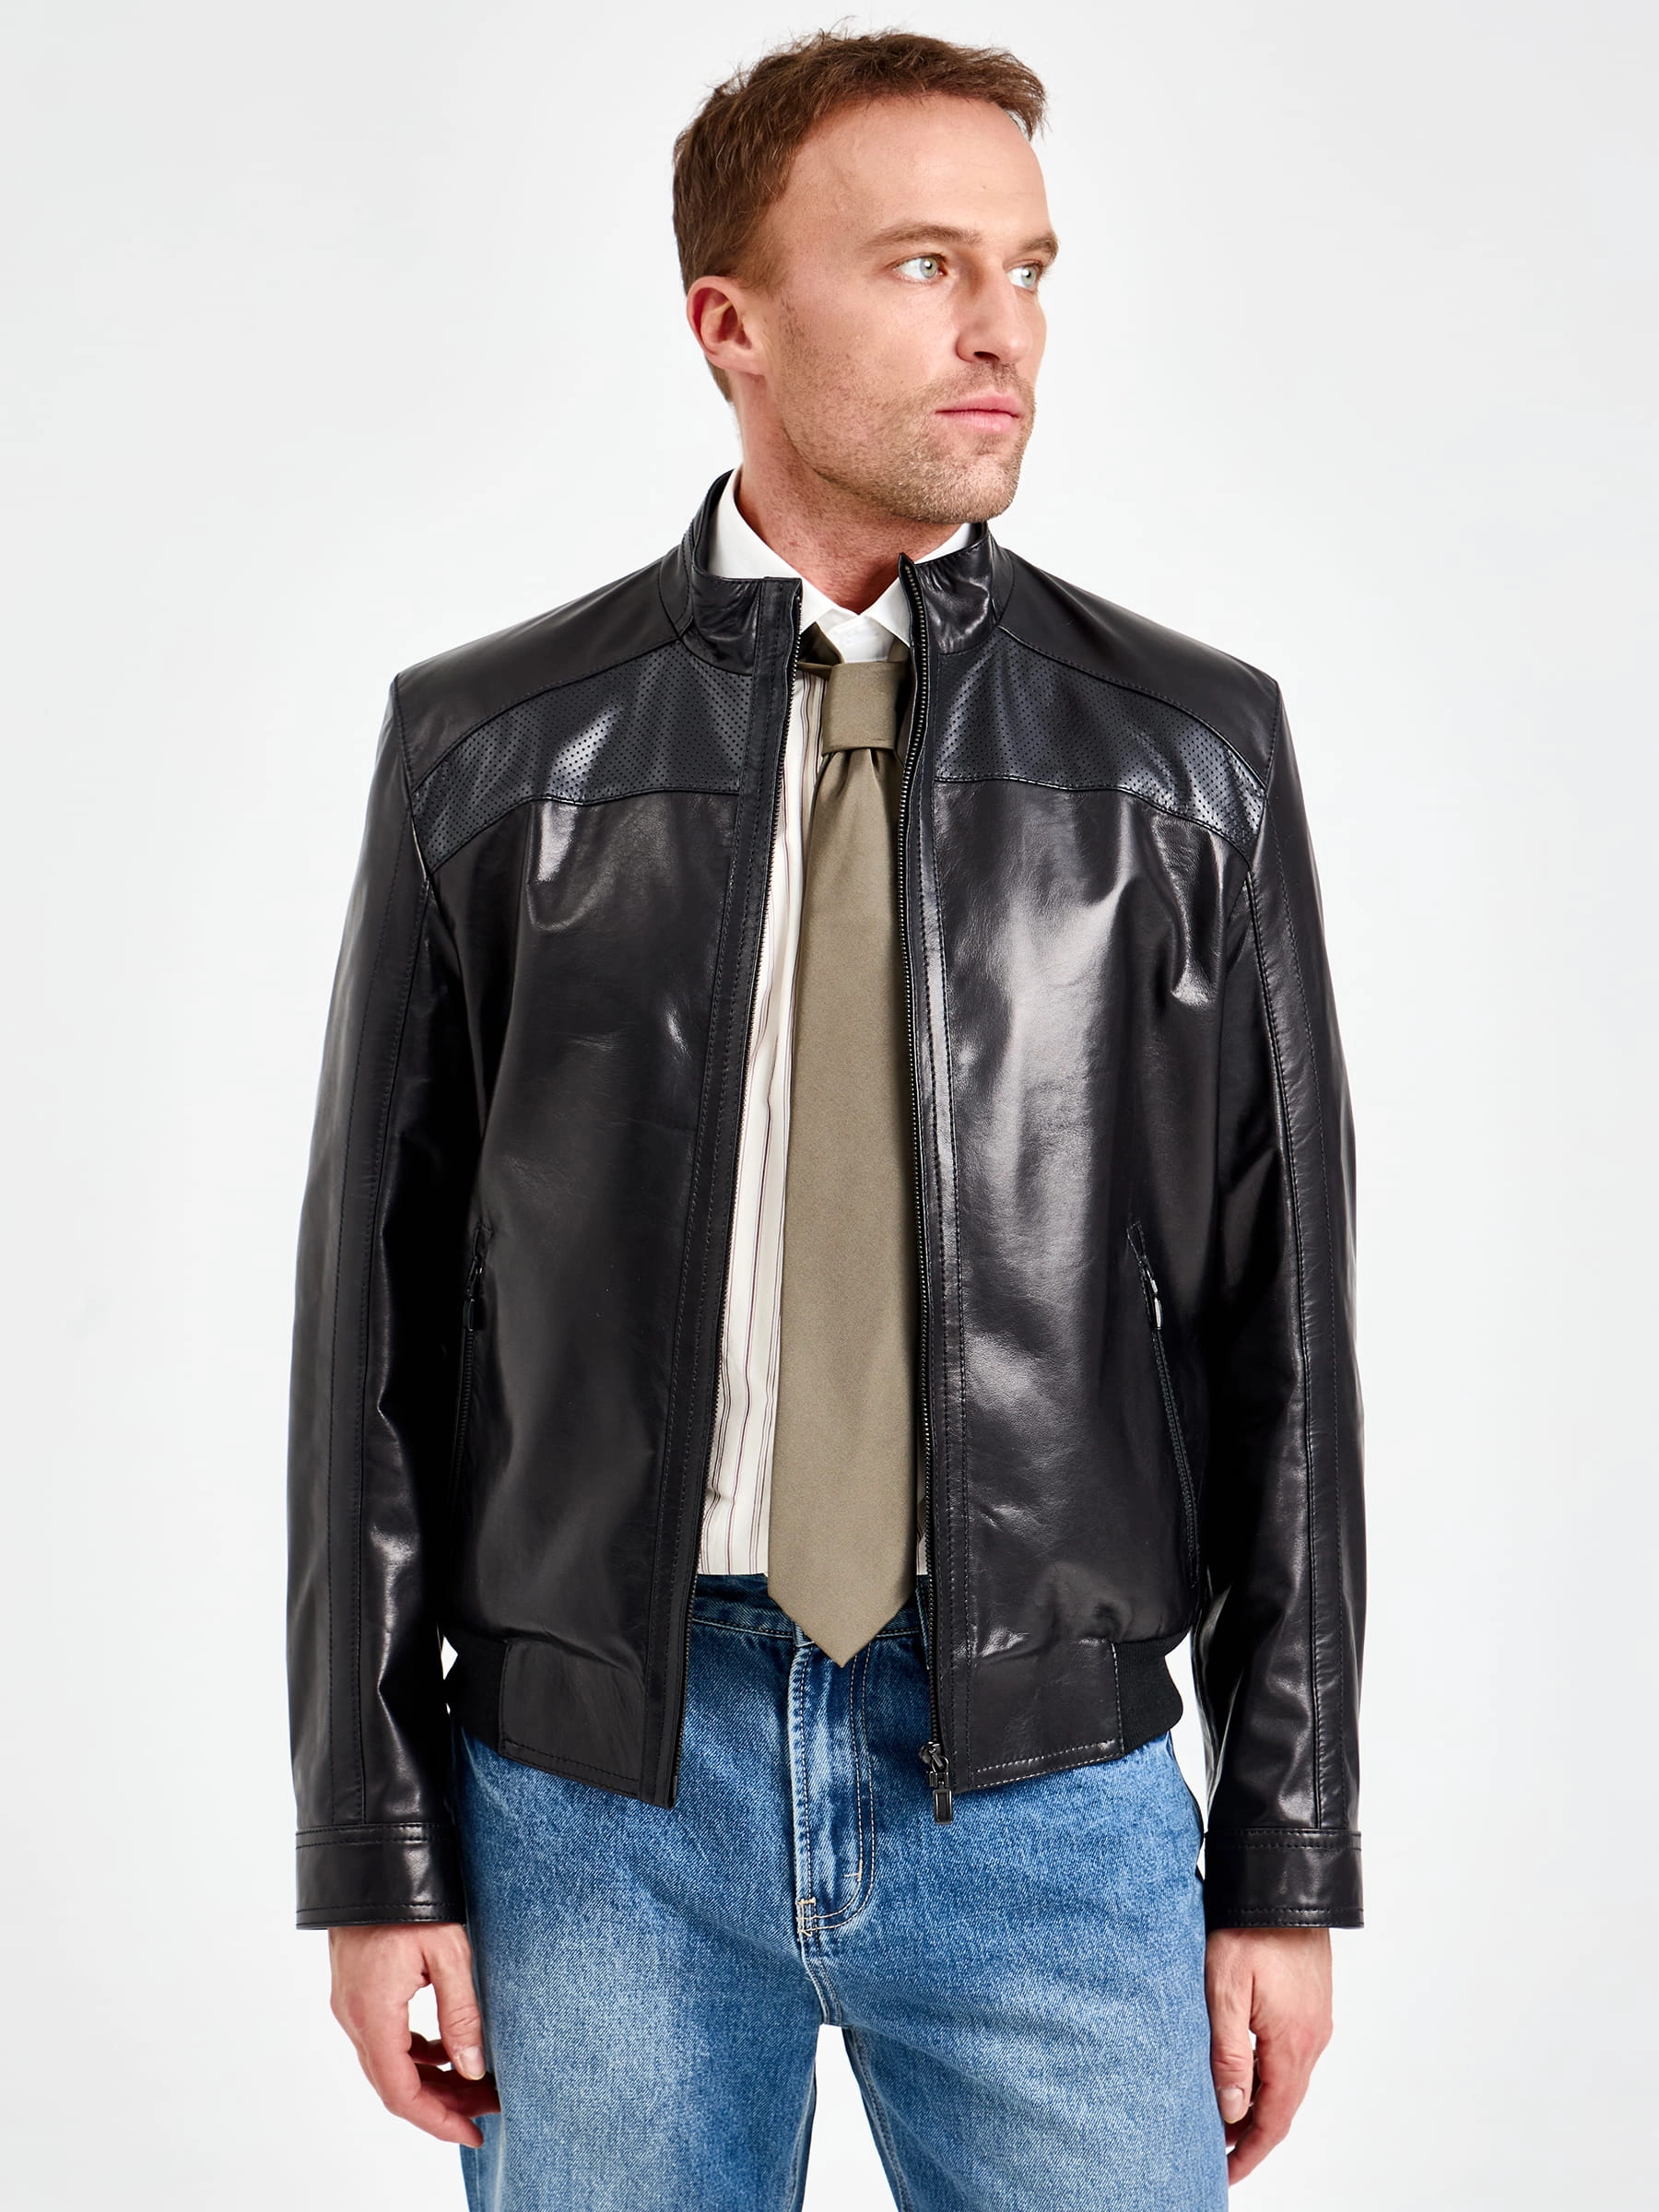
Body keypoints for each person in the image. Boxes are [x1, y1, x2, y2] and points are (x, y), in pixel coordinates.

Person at [288, 29, 1364, 2209]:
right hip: (596, 1797)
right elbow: (372, 1334)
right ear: (733, 323)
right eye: (924, 264)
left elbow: (1285, 1340)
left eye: (1030, 269)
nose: (1002, 331)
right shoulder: (492, 754)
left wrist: (1286, 1851)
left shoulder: (1190, 757)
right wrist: (375, 1844)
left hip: (1052, 1788)